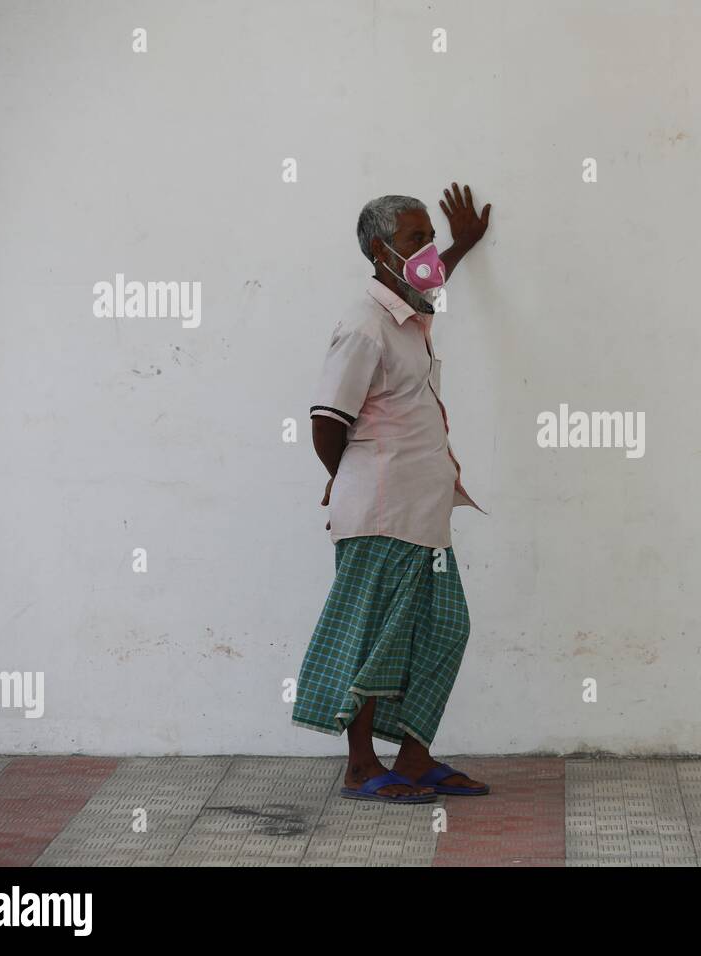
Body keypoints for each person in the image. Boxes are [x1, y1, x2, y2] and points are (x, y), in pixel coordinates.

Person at [291, 186, 493, 802]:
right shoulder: (363, 325)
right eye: (415, 238)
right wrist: (347, 477)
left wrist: (459, 245)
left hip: (424, 512)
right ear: (380, 251)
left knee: (442, 629)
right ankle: (359, 766)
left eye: (428, 236)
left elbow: (431, 275)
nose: (427, 248)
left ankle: (412, 757)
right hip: (381, 512)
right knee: (374, 634)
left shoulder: (410, 309)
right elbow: (328, 421)